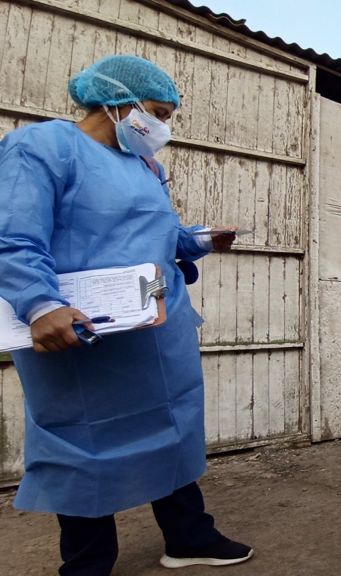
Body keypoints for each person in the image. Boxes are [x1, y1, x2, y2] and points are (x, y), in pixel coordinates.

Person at [0, 55, 252, 575]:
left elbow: (157, 236)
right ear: (118, 102)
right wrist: (39, 303)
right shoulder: (43, 147)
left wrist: (200, 239)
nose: (162, 126)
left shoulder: (146, 166)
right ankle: (89, 563)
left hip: (158, 331)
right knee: (82, 444)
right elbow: (14, 235)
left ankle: (188, 536)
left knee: (175, 427)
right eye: (158, 112)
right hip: (82, 335)